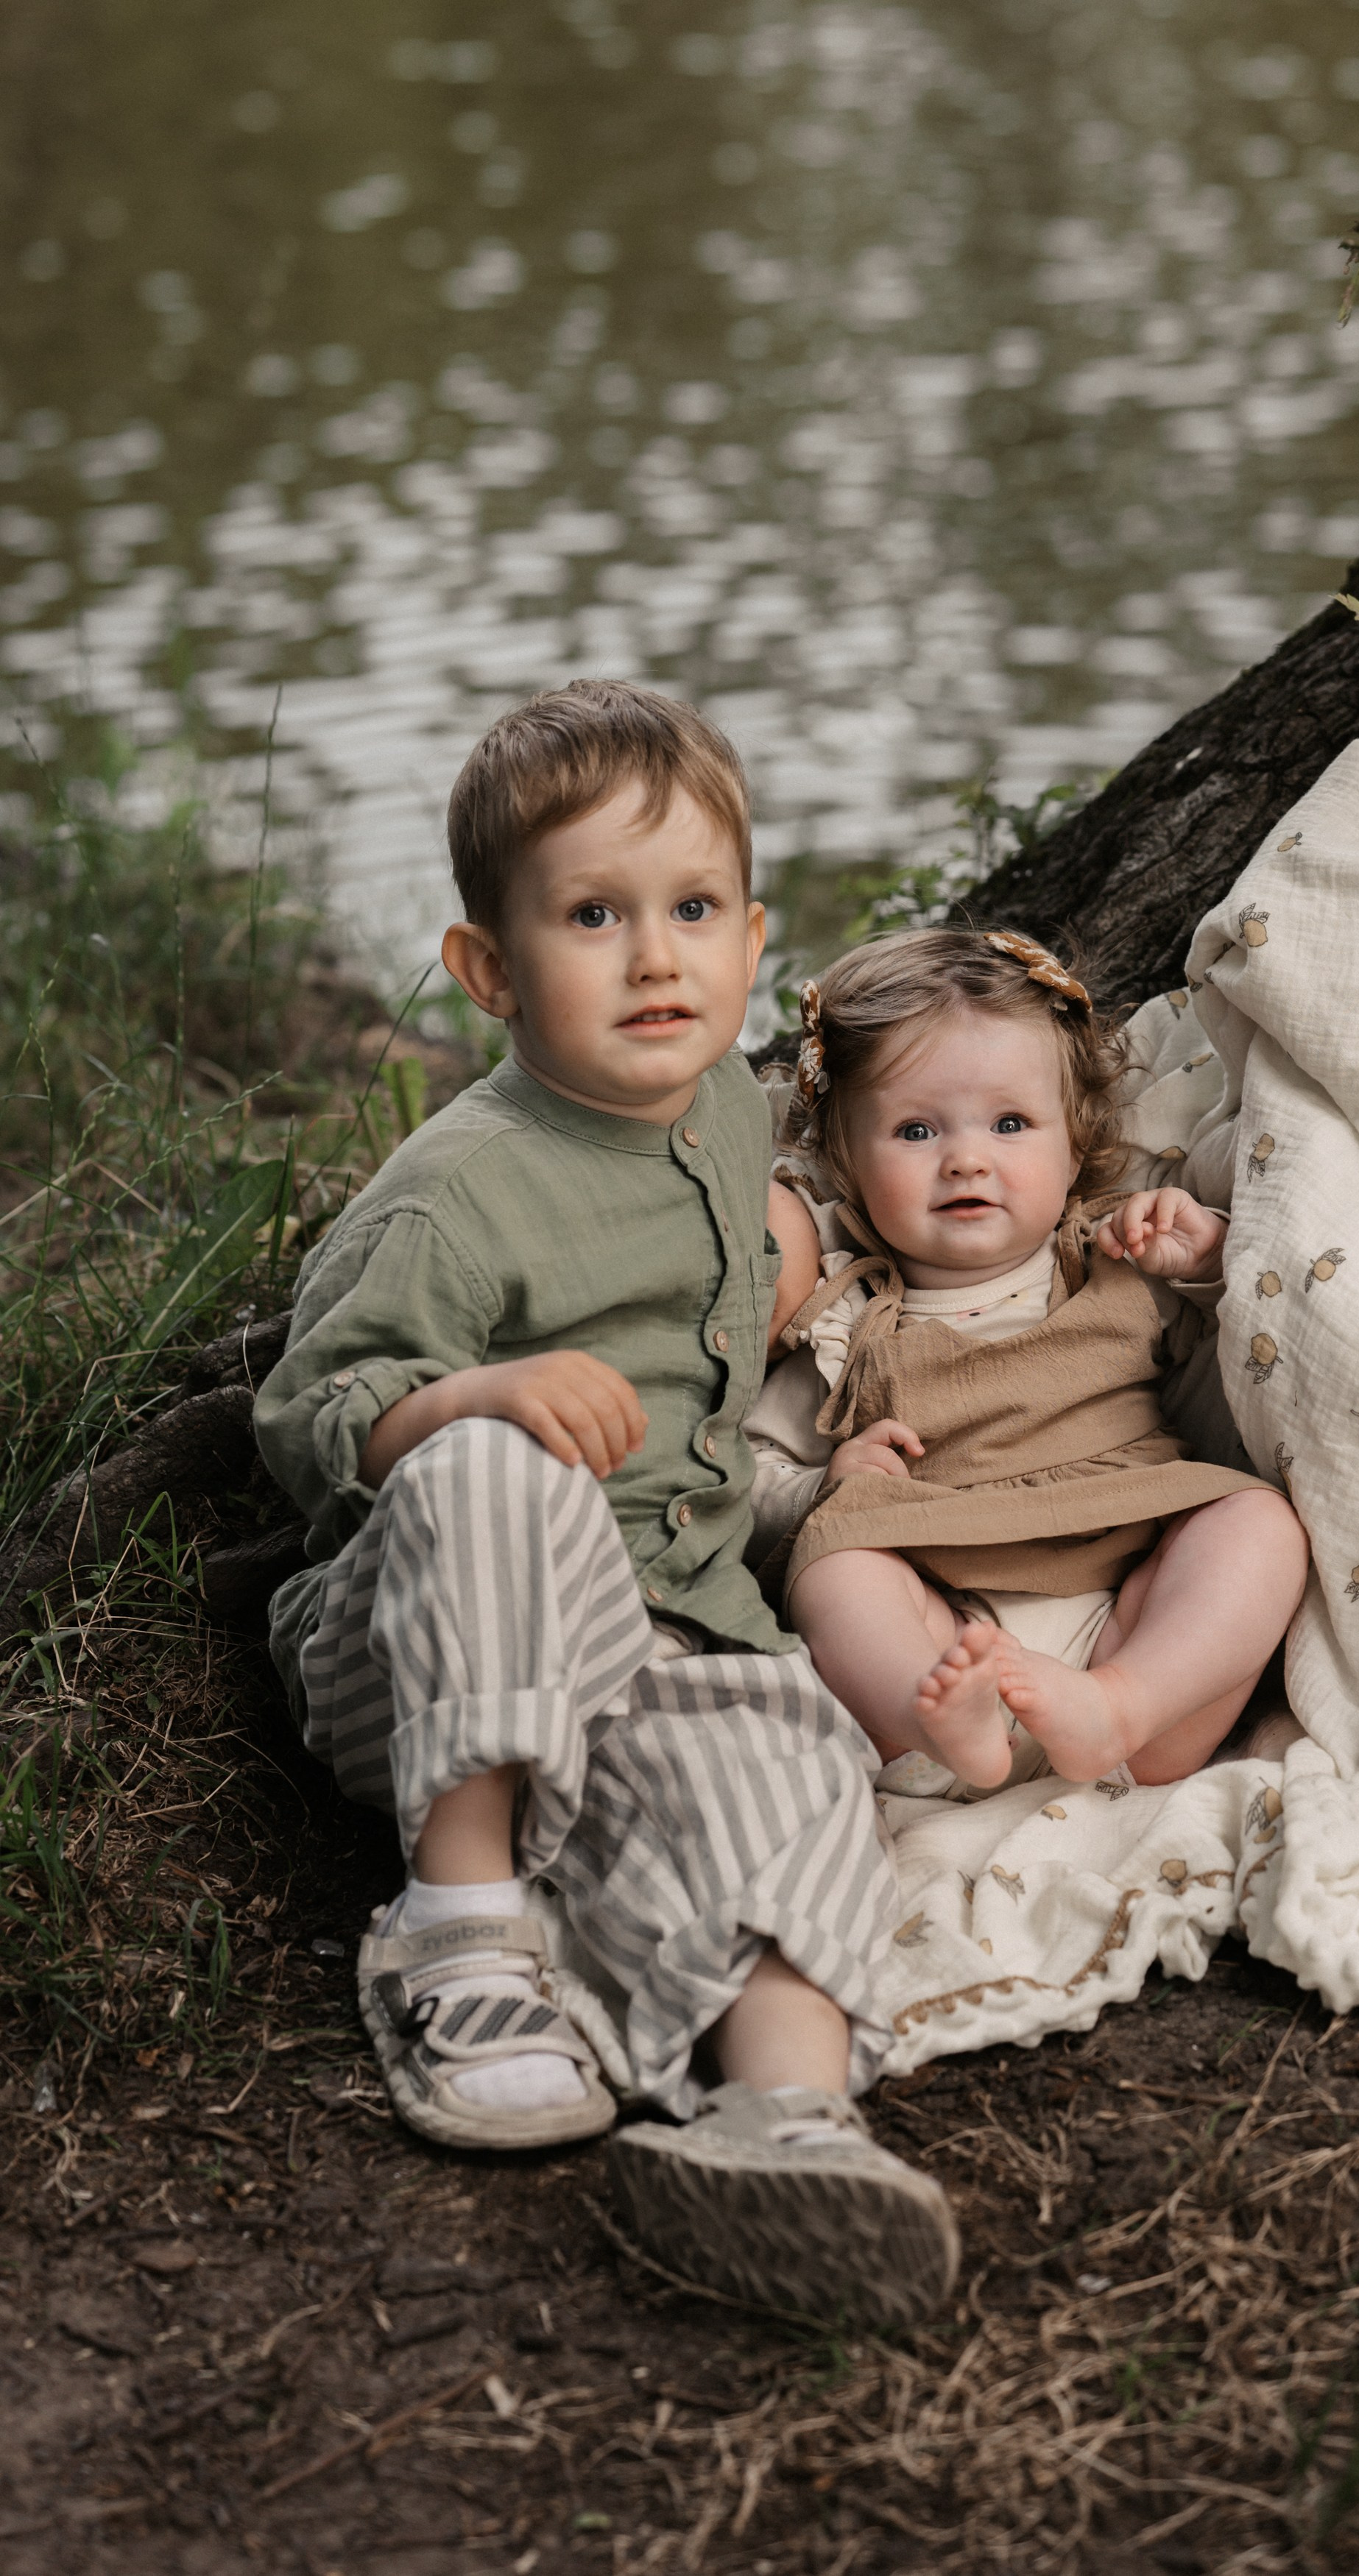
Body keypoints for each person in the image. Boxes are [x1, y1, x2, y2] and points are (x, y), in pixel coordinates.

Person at [253, 682, 958, 2326]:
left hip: (666, 1634)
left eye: (694, 910)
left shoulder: (726, 1117)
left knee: (787, 1777)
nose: (657, 958)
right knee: (503, 1471)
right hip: (425, 1639)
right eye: (595, 916)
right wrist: (471, 1397)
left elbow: (707, 1417)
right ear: (489, 973)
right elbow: (309, 1412)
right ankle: (464, 1933)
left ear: (753, 936)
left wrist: (806, 1487)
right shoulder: (457, 1188)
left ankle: (785, 2126)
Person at [745, 927, 1309, 1800]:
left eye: (1009, 1122)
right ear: (846, 1162)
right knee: (837, 1569)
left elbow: (1232, 1340)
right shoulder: (840, 1314)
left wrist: (1203, 1255)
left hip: (1126, 1598)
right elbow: (747, 1472)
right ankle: (933, 1724)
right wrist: (827, 1485)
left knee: (1258, 1525)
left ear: (1075, 1142)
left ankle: (1122, 1706)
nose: (967, 1157)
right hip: (946, 1626)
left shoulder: (1112, 1257)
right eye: (916, 1128)